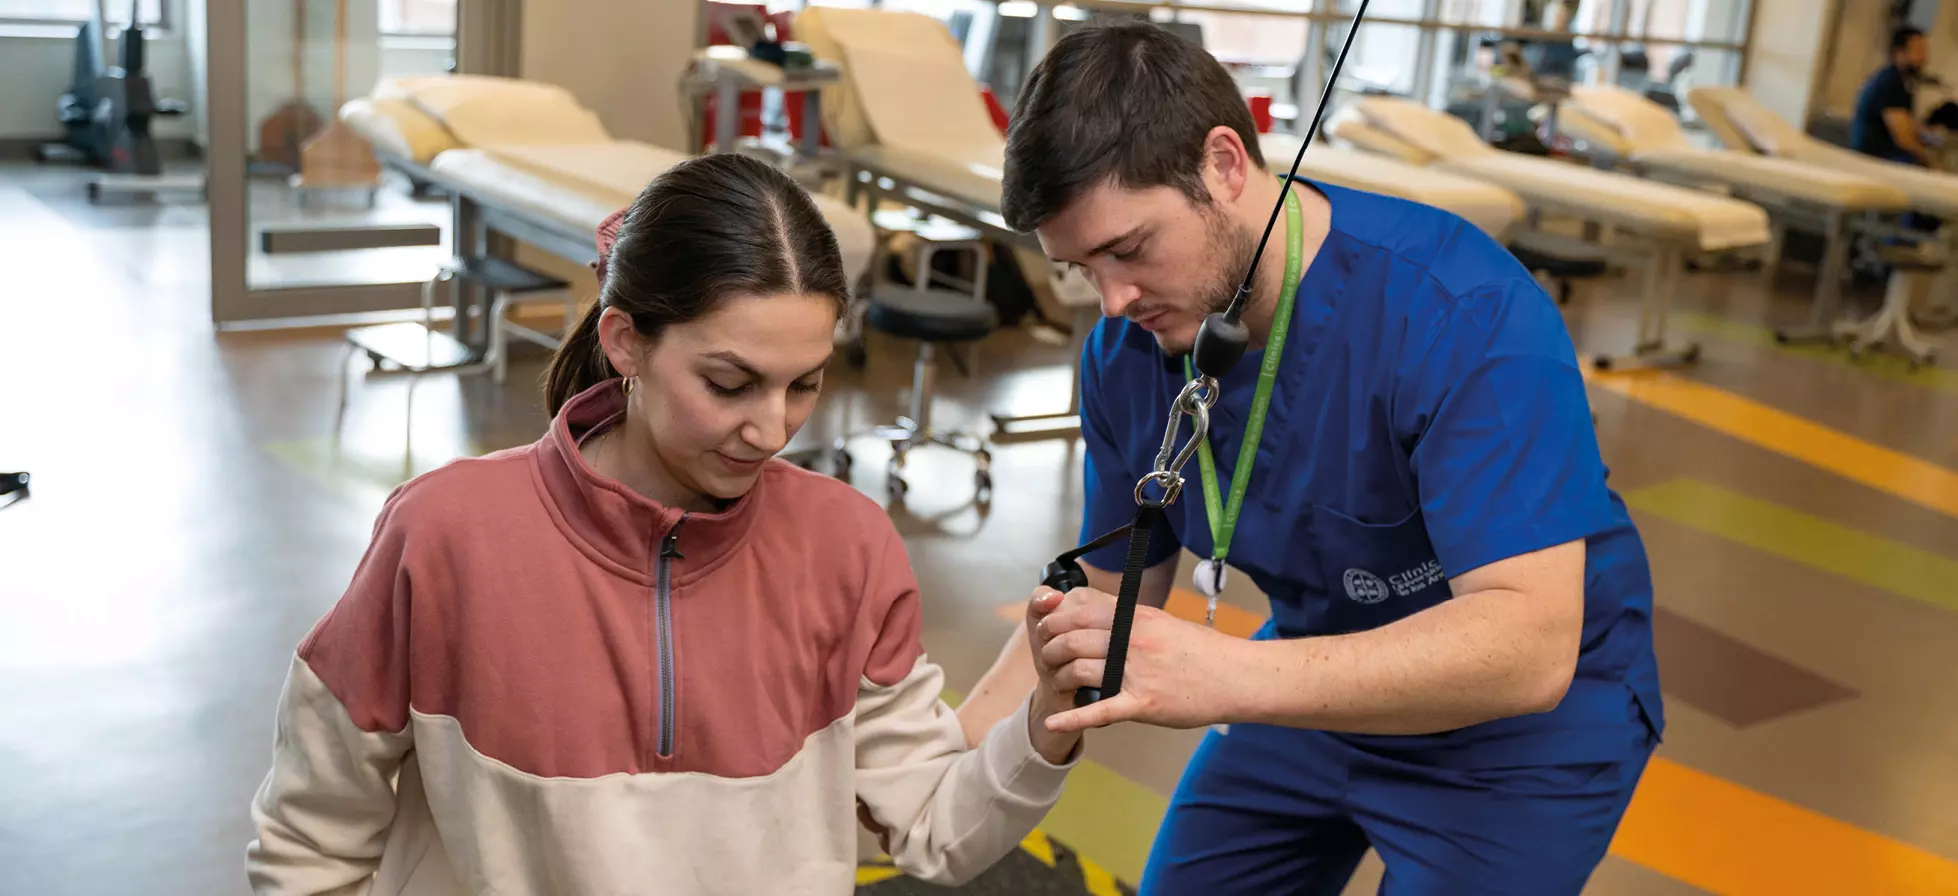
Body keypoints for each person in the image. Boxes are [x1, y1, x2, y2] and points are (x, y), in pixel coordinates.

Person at [244, 153, 1083, 895]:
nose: (772, 429)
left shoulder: (848, 546)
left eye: (804, 384)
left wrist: (1044, 721)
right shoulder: (442, 535)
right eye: (730, 384)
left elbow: (935, 828)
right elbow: (311, 837)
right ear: (625, 342)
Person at [966, 23, 1664, 894]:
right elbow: (1108, 595)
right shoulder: (1131, 352)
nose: (1112, 301)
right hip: (1314, 671)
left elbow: (1528, 647)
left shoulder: (1462, 312)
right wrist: (945, 757)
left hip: (1518, 732)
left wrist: (1229, 675)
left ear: (1224, 164)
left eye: (1129, 249)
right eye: (1079, 268)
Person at [1852, 25, 1935, 167]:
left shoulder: (1900, 81)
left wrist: (1931, 136)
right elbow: (1903, 138)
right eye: (1918, 51)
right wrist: (1930, 162)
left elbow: (1908, 124)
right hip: (1875, 159)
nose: (1924, 58)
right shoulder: (1890, 83)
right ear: (1900, 52)